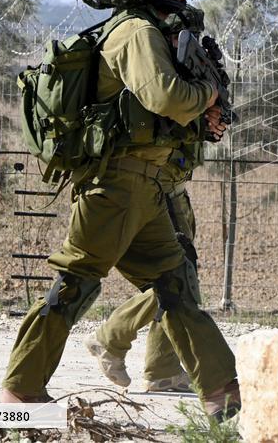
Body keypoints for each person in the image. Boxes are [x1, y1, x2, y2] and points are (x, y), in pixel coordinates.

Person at [1, 0, 241, 420]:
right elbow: (166, 98)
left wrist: (204, 112)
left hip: (144, 187)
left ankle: (223, 394)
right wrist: (207, 98)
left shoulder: (157, 28)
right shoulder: (134, 30)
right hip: (117, 186)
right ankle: (20, 393)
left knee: (175, 284)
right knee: (77, 282)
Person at [84, 142, 202, 393]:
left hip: (170, 191)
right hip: (159, 191)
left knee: (177, 277)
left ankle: (163, 369)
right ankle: (112, 337)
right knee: (178, 277)